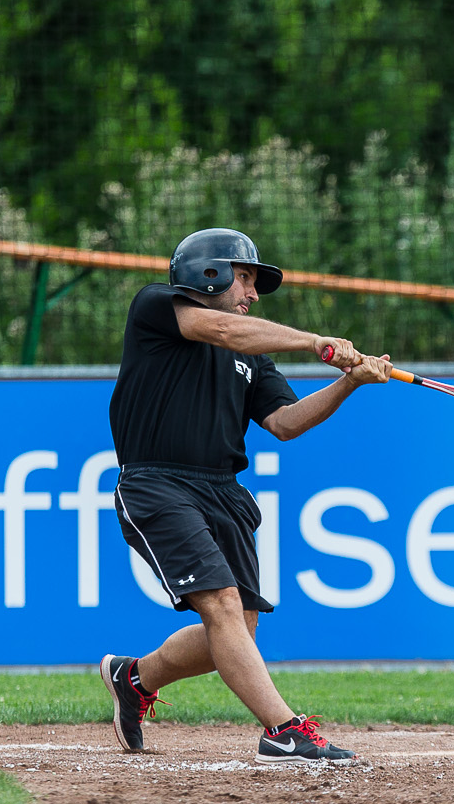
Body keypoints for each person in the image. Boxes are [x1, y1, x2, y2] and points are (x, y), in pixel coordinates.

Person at [99, 227, 390, 765]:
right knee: (223, 605)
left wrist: (349, 382)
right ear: (206, 271)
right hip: (158, 484)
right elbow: (225, 330)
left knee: (237, 629)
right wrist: (313, 342)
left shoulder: (253, 355)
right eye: (245, 278)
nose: (252, 293)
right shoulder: (159, 306)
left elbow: (283, 422)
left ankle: (134, 677)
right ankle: (283, 730)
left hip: (223, 492)